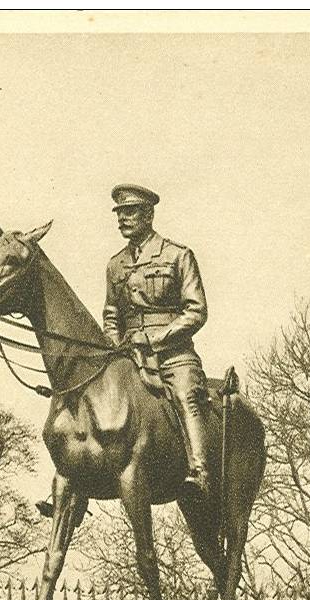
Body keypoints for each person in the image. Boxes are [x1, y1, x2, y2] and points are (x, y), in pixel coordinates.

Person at [103, 184, 211, 499]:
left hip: (172, 353)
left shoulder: (178, 255)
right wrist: (114, 342)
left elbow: (196, 311)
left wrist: (153, 339)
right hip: (128, 353)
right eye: (119, 213)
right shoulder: (115, 264)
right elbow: (111, 314)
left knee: (185, 394)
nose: (122, 218)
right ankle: (76, 486)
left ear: (149, 214)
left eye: (130, 211)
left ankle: (199, 470)